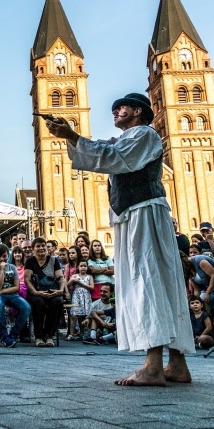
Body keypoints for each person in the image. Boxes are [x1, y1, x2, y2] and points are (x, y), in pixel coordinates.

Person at [46, 92, 194, 386]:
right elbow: (100, 151)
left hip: (143, 213)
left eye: (121, 107)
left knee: (146, 281)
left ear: (138, 111)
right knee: (161, 283)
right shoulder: (127, 138)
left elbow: (114, 158)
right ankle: (177, 364)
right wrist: (70, 136)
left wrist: (72, 135)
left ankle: (153, 367)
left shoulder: (143, 134)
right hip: (134, 214)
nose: (115, 111)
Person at [24, 237, 65, 347]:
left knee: (58, 301)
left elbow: (61, 278)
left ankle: (49, 335)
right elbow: (27, 280)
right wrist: (36, 292)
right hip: (36, 292)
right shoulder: (30, 261)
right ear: (33, 249)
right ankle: (39, 336)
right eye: (38, 246)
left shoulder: (54, 260)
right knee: (38, 302)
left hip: (51, 291)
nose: (41, 248)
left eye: (43, 245)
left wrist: (60, 291)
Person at [0, 244, 31, 347]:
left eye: (4, 256)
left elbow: (16, 288)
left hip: (11, 294)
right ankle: (3, 336)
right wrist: (2, 270)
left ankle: (13, 334)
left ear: (8, 256)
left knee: (26, 307)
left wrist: (1, 291)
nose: (1, 259)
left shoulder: (12, 267)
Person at [189, 249, 214, 314]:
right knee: (199, 309)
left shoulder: (200, 260)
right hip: (207, 290)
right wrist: (195, 301)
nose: (192, 254)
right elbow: (197, 290)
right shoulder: (187, 270)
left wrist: (208, 293)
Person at [67, 261, 93, 341]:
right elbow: (68, 285)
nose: (83, 267)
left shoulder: (89, 277)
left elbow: (92, 287)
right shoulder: (75, 275)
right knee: (74, 315)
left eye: (85, 266)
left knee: (84, 316)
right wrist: (73, 280)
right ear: (78, 267)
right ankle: (71, 334)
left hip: (86, 297)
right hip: (76, 296)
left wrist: (81, 284)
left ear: (87, 267)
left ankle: (82, 333)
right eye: (81, 266)